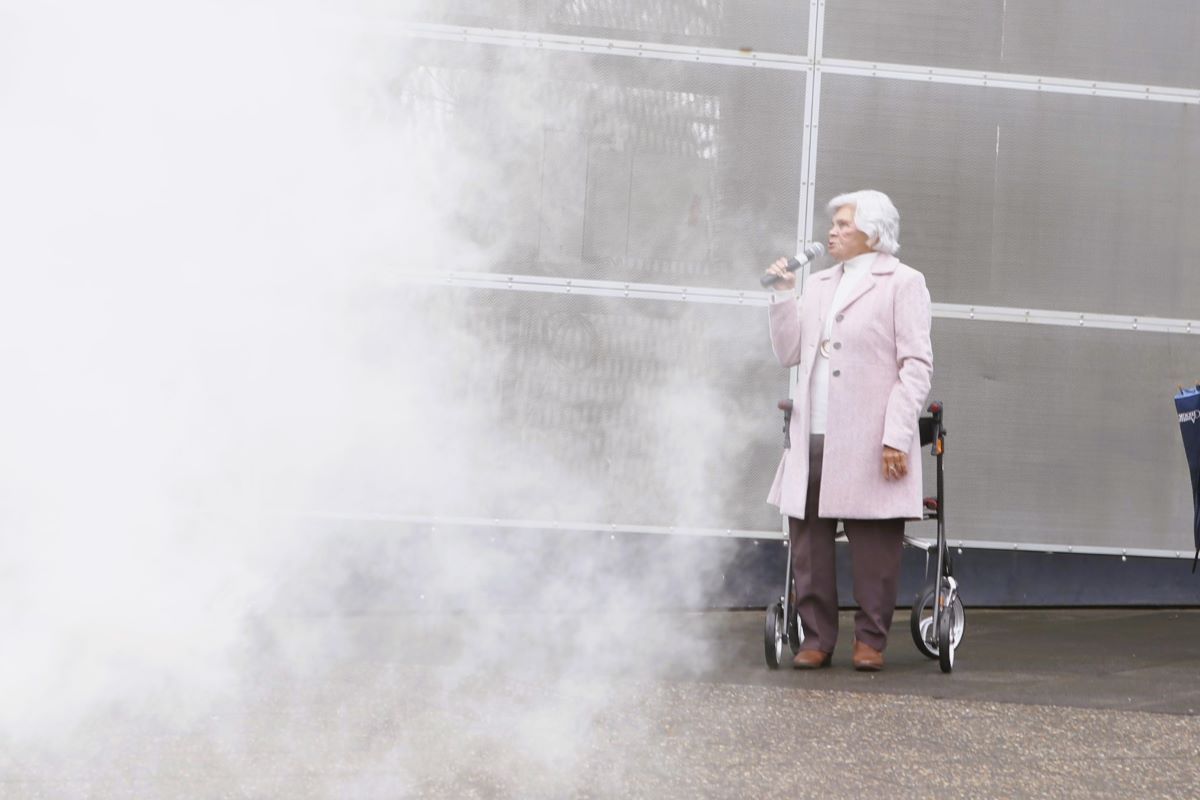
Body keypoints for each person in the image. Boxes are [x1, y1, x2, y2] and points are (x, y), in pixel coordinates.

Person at [763, 190, 932, 671]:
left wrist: (896, 435)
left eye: (842, 224)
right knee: (809, 541)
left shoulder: (903, 282)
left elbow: (916, 365)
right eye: (832, 223)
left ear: (873, 233)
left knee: (874, 543)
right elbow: (790, 352)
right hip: (813, 432)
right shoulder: (818, 284)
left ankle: (870, 641)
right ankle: (816, 638)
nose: (831, 231)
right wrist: (782, 295)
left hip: (870, 435)